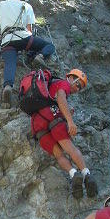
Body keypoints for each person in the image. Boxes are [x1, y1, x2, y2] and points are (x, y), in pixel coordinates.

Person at [25, 67, 98, 198]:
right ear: (69, 77)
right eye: (77, 84)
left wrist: (66, 114)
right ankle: (86, 174)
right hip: (52, 118)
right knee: (70, 148)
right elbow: (61, 97)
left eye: (80, 88)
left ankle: (73, 173)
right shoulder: (63, 84)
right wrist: (70, 121)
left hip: (37, 124)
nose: (77, 89)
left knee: (59, 155)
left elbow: (55, 100)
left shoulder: (48, 88)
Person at [0, 0, 55, 104]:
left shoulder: (4, 4)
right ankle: (40, 56)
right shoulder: (27, 6)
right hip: (25, 38)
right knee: (49, 46)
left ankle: (8, 86)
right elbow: (29, 29)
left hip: (8, 40)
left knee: (10, 62)